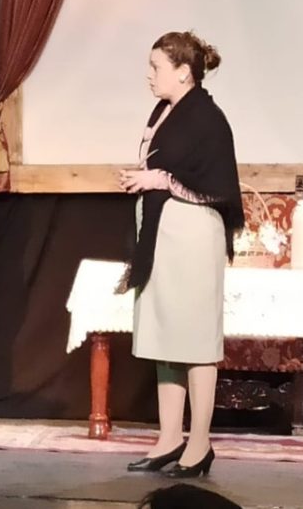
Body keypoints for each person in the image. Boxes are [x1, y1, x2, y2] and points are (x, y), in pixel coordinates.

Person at [117, 31, 243, 478]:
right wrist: (145, 178)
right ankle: (170, 437)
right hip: (163, 235)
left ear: (184, 73)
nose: (149, 75)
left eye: (157, 67)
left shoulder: (207, 117)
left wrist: (160, 180)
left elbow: (214, 183)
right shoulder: (164, 111)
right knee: (166, 336)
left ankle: (200, 444)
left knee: (195, 339)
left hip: (192, 236)